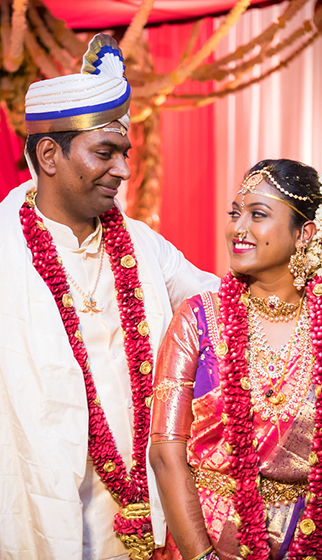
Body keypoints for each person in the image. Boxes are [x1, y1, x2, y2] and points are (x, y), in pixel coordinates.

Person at [0, 33, 219, 560]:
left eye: (124, 153)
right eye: (105, 152)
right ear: (49, 154)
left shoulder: (140, 244)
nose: (122, 170)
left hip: (150, 495)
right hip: (57, 513)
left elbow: (218, 303)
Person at [150, 158, 322, 560]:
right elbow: (165, 453)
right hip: (206, 537)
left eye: (257, 215)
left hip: (307, 538)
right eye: (234, 213)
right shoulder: (197, 319)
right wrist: (202, 556)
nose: (237, 228)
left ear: (304, 234)